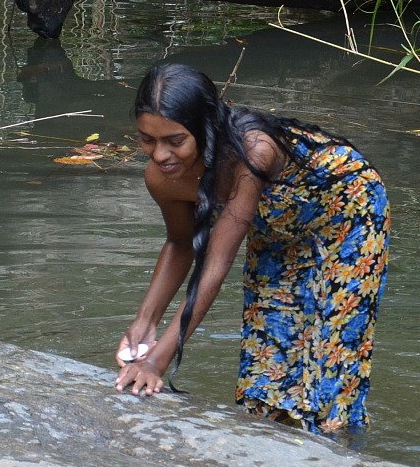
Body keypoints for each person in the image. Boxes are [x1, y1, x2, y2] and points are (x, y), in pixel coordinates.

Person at [114, 62, 390, 435]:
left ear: (205, 126)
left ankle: (341, 446)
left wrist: (155, 363)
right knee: (269, 345)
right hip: (275, 222)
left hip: (345, 214)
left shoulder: (253, 150)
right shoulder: (161, 178)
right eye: (148, 140)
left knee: (331, 354)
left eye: (175, 140)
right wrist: (144, 323)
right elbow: (180, 243)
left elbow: (216, 264)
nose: (160, 155)